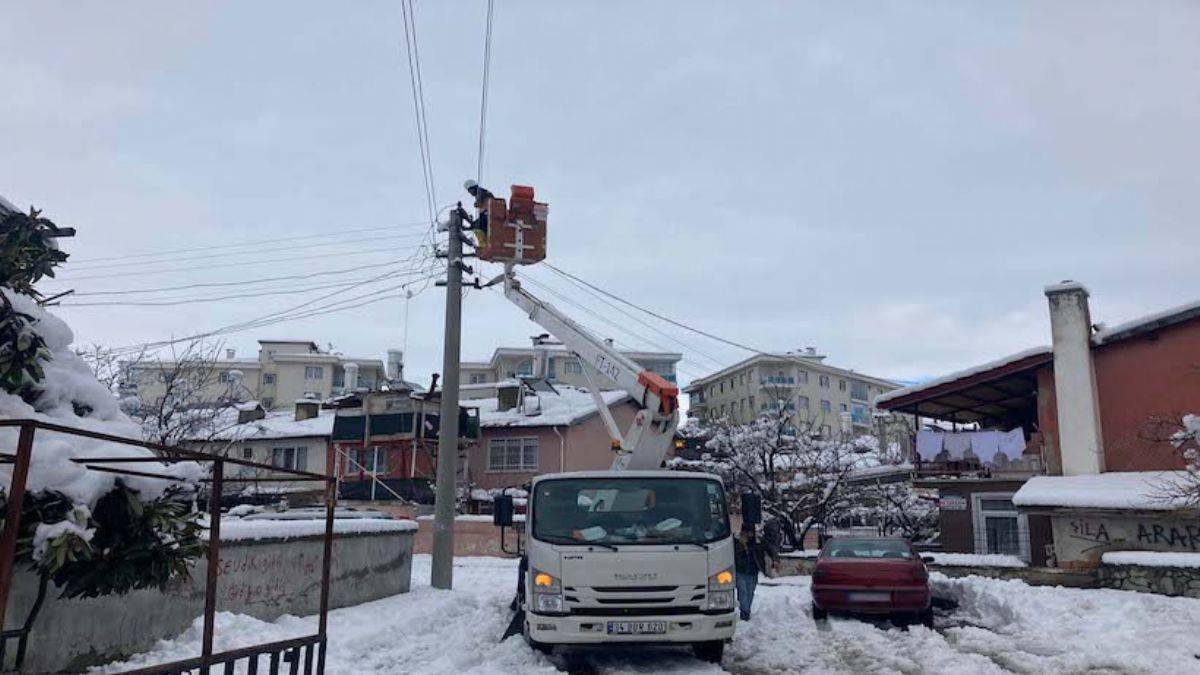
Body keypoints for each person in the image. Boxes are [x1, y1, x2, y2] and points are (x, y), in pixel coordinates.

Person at [733, 523, 772, 621]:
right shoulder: (736, 542)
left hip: (752, 572)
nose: (749, 536)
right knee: (743, 591)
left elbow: (768, 548)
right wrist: (742, 546)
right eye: (747, 533)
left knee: (750, 592)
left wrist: (775, 559)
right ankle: (744, 612)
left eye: (750, 533)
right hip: (740, 571)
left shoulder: (756, 541)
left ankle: (747, 610)